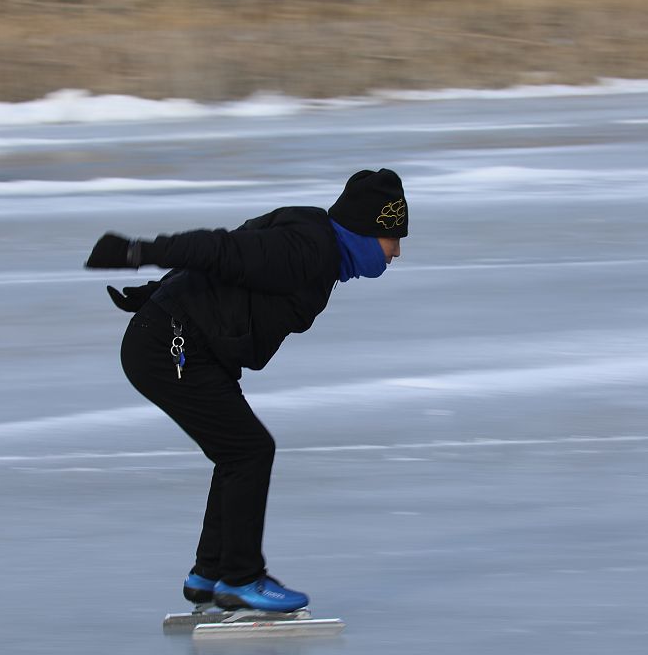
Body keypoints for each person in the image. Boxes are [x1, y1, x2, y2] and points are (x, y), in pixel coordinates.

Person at [84, 169, 408, 613]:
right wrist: (138, 252)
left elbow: (233, 255)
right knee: (248, 451)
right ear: (370, 232)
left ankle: (211, 572)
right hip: (171, 348)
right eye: (394, 241)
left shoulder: (318, 244)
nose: (398, 253)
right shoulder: (307, 248)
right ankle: (241, 578)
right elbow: (223, 248)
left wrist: (158, 291)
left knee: (239, 452)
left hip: (181, 344)